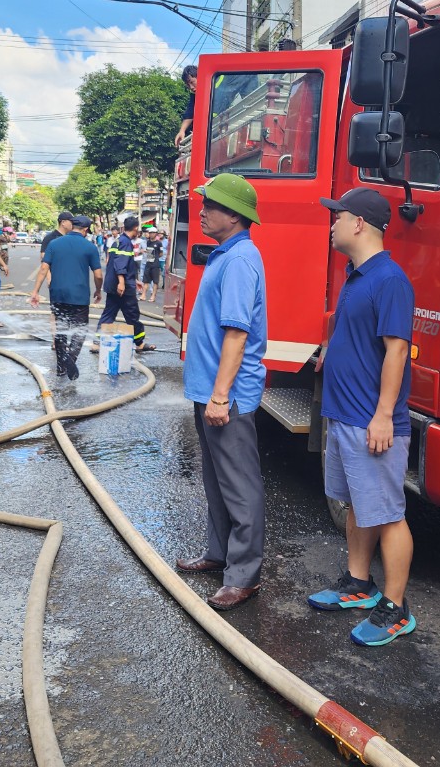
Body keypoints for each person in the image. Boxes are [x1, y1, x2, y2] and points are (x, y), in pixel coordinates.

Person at [308, 188, 417, 647]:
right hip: (344, 415)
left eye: (338, 216)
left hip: (369, 421)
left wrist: (384, 416)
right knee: (358, 505)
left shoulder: (390, 279)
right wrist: (329, 354)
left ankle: (396, 608)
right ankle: (358, 585)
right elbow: (357, 333)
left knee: (388, 514)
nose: (331, 223)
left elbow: (397, 351)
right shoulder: (357, 277)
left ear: (359, 224)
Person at [175, 173, 267, 611]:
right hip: (210, 390)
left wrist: (220, 396)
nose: (202, 210)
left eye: (210, 204)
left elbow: (236, 334)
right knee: (215, 481)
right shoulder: (224, 255)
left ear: (234, 214)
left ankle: (244, 575)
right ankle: (219, 553)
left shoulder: (240, 260)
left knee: (239, 485)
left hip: (225, 396)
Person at [29, 214, 102, 382]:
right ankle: (71, 358)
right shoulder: (89, 247)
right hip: (79, 296)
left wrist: (35, 291)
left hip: (57, 294)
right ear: (85, 230)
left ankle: (61, 368)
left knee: (61, 329)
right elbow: (98, 275)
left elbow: (43, 268)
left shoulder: (54, 244)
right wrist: (98, 290)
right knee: (79, 330)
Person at [97, 216, 154, 351]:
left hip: (113, 284)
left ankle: (96, 342)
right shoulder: (126, 242)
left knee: (109, 314)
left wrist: (135, 279)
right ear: (135, 228)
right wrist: (122, 283)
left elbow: (117, 262)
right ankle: (139, 343)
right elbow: (121, 264)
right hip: (123, 287)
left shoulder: (117, 241)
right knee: (132, 314)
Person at [173, 64, 198, 147]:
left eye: (192, 82)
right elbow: (190, 113)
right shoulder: (195, 96)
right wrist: (182, 131)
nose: (190, 87)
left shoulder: (215, 84)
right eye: (188, 85)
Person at [142, 231, 163, 304]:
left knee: (155, 281)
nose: (151, 234)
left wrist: (155, 257)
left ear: (156, 234)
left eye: (153, 233)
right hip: (148, 263)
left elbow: (161, 253)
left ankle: (153, 296)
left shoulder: (159, 243)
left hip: (155, 264)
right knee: (145, 280)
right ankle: (143, 295)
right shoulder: (148, 242)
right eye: (150, 233)